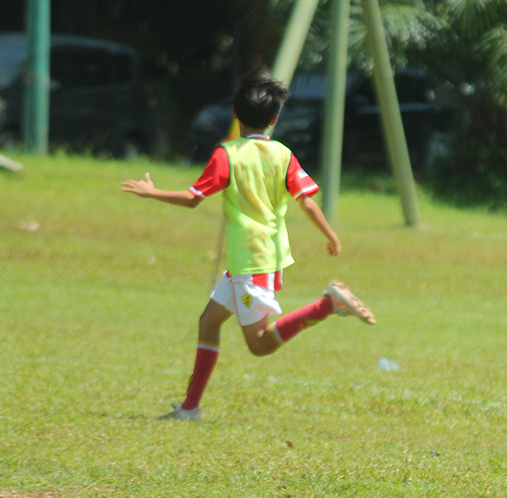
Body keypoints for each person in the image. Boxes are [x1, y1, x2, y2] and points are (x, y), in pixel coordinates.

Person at [121, 67, 375, 421]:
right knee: (209, 322)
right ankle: (190, 409)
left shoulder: (227, 154)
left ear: (234, 112)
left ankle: (326, 306)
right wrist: (330, 235)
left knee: (258, 344)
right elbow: (307, 200)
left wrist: (152, 192)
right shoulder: (283, 155)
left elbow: (194, 198)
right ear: (273, 119)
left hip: (251, 261)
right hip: (259, 256)